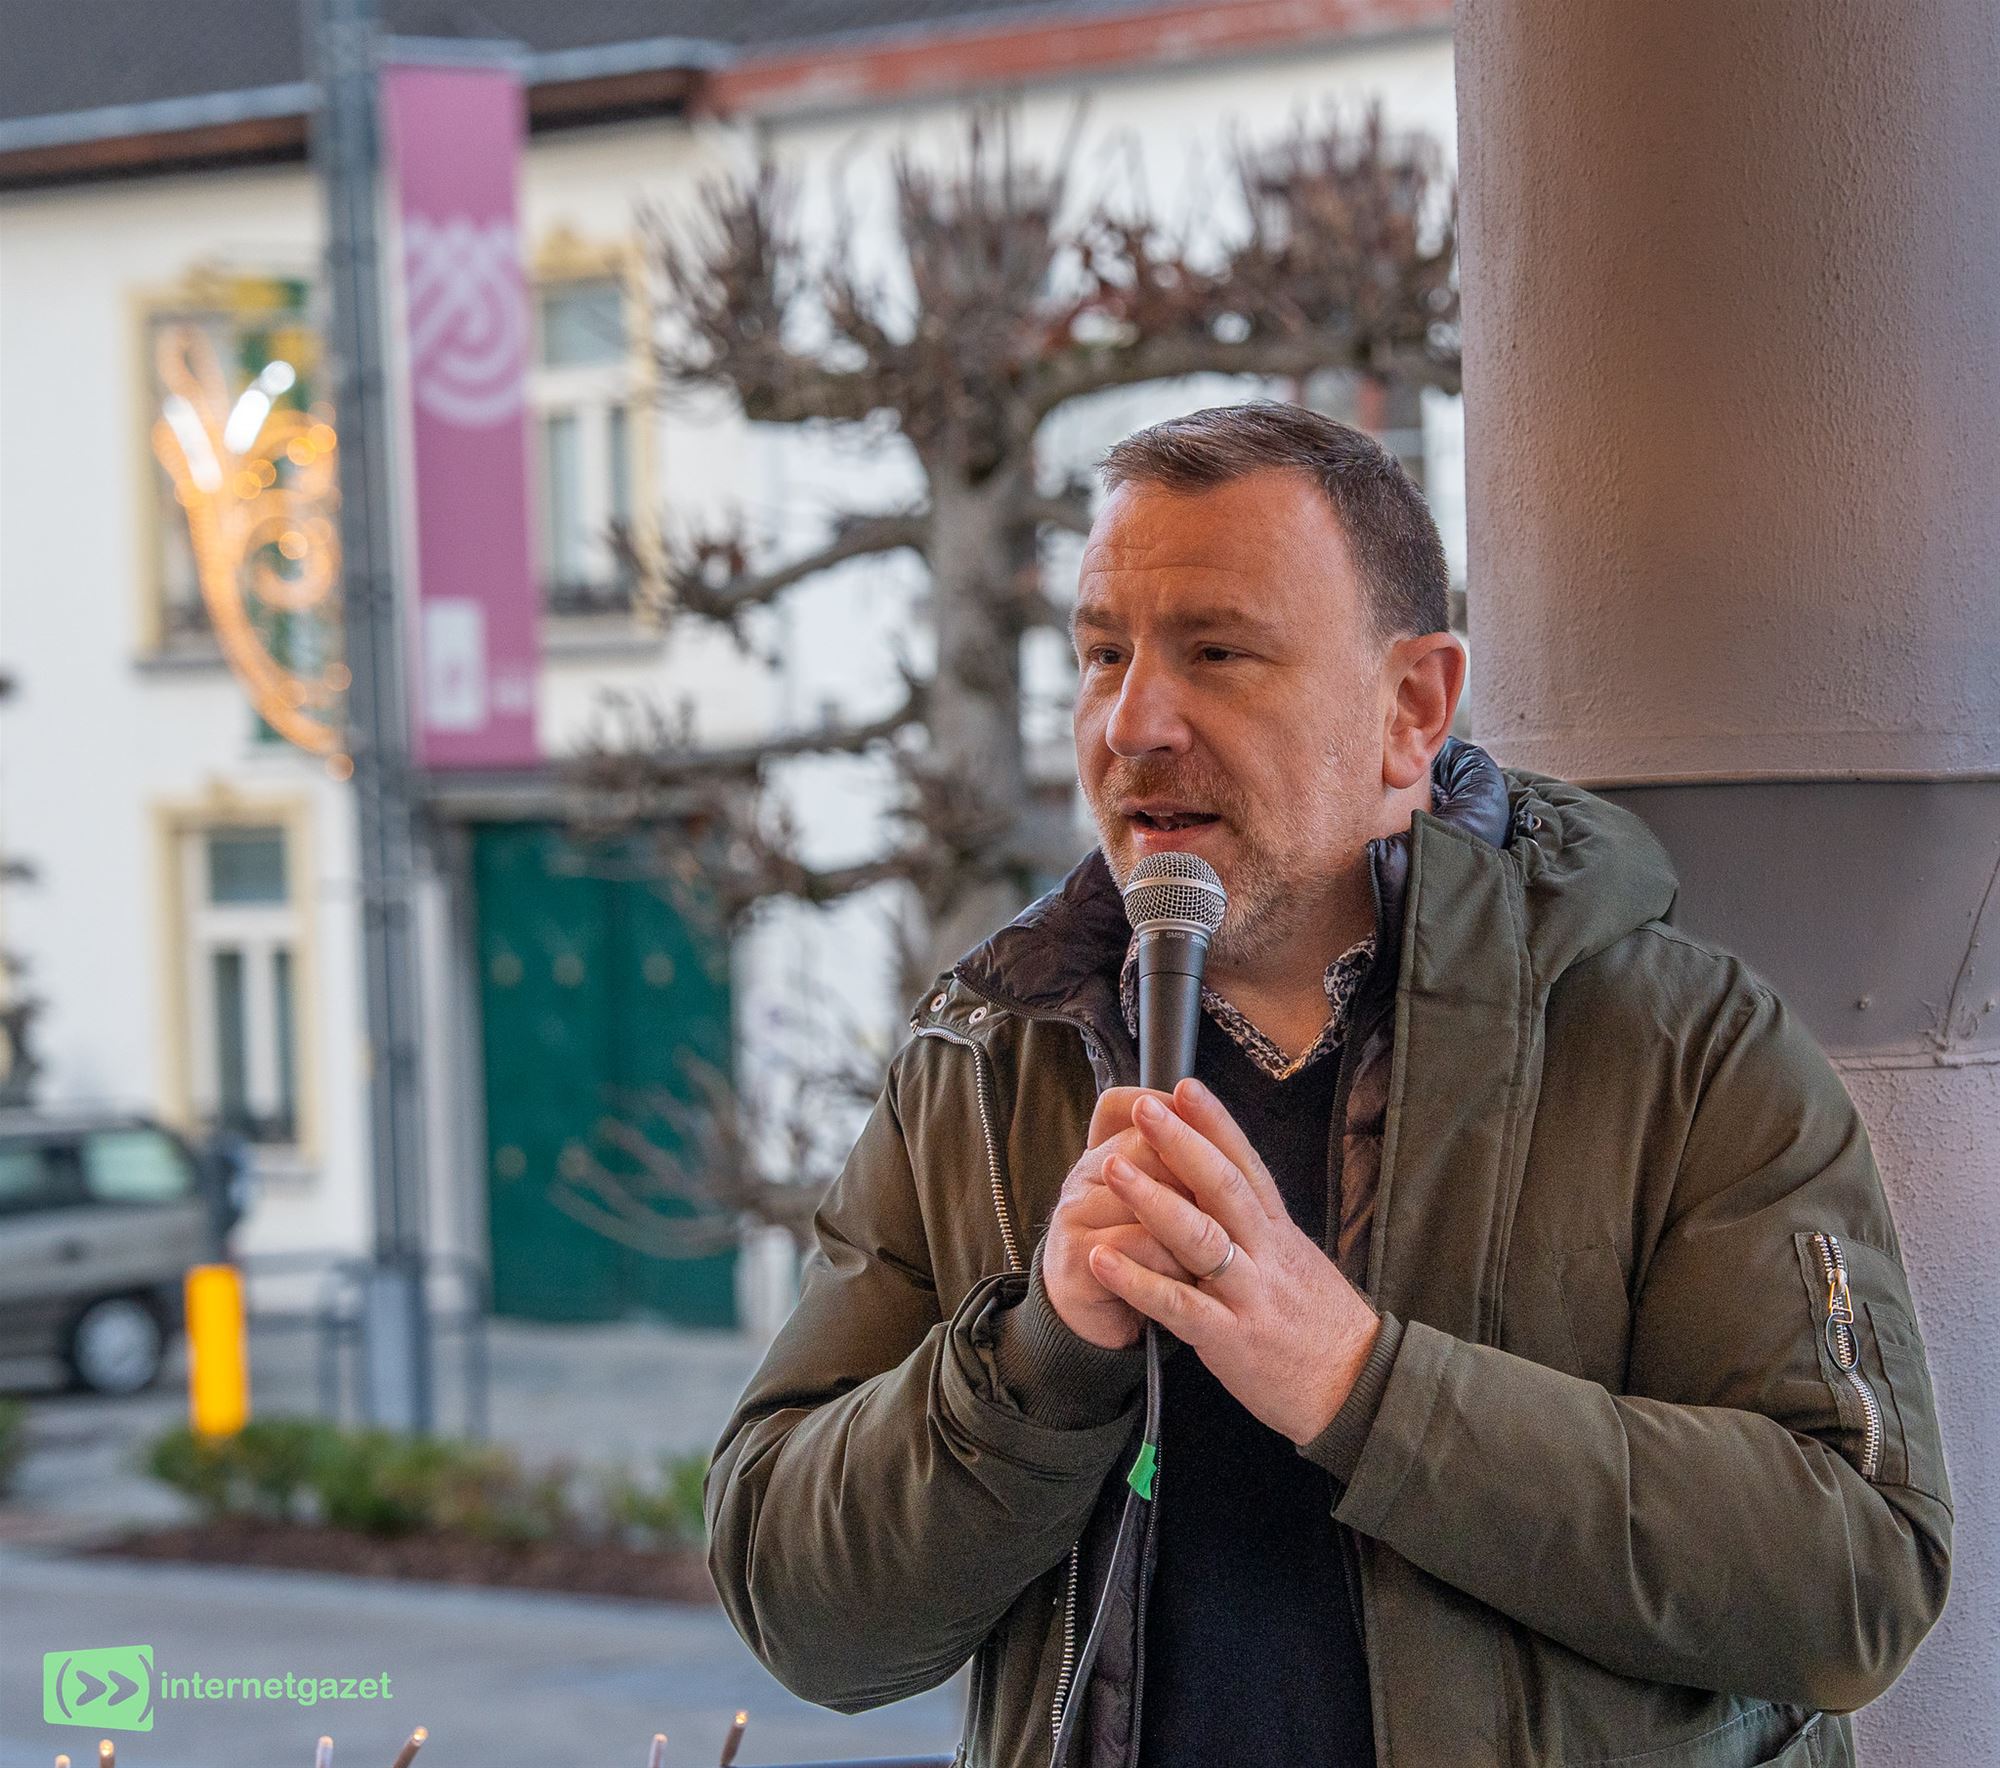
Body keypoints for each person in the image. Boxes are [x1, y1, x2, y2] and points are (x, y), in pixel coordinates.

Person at [705, 402, 1952, 1768]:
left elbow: (1855, 1579)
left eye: (1217, 654)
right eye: (1103, 655)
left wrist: (1361, 1384)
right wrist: (1037, 1360)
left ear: (1409, 709)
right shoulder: (987, 1065)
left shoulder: (1680, 1046)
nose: (1134, 722)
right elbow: (801, 1612)